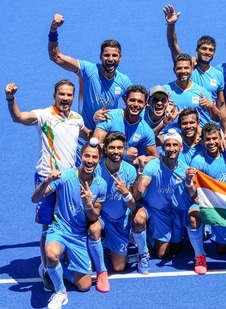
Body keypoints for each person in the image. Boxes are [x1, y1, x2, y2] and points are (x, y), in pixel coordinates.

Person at [5, 80, 89, 293]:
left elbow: (85, 134)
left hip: (70, 180)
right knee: (48, 225)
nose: (66, 98)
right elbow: (18, 117)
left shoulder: (76, 119)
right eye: (62, 94)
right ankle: (46, 267)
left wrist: (101, 130)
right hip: (47, 178)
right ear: (54, 95)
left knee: (69, 221)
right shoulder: (44, 116)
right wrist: (10, 98)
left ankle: (64, 259)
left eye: (69, 95)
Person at [31, 139, 107, 309]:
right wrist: (45, 182)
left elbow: (94, 217)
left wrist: (88, 204)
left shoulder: (101, 185)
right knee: (52, 254)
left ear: (98, 159)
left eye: (94, 157)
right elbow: (34, 198)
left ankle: (55, 268)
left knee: (85, 285)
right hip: (59, 230)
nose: (90, 160)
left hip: (79, 235)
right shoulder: (65, 177)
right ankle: (60, 291)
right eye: (87, 155)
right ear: (81, 157)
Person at [47, 13, 132, 131]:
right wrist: (53, 29)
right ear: (100, 57)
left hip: (107, 141)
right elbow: (56, 57)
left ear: (120, 58)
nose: (111, 59)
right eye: (107, 55)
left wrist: (115, 116)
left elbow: (134, 108)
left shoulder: (124, 81)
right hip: (83, 138)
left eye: (114, 55)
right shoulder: (88, 70)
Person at [132, 129, 195, 272]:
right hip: (148, 207)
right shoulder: (152, 166)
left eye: (175, 145)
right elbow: (137, 194)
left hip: (166, 213)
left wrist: (190, 182)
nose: (171, 149)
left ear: (181, 147)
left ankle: (147, 234)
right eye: (168, 145)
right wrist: (141, 173)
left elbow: (192, 193)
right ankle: (143, 253)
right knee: (139, 219)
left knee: (166, 253)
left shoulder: (184, 170)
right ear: (163, 147)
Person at [164, 4, 226, 136]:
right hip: (182, 128)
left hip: (206, 129)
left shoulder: (218, 75)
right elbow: (173, 45)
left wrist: (225, 133)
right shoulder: (188, 67)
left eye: (210, 50)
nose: (207, 52)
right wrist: (171, 25)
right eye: (204, 49)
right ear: (196, 50)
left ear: (214, 54)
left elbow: (221, 106)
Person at [186, 122, 226, 254]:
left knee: (222, 251)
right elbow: (192, 191)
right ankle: (199, 254)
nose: (211, 142)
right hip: (208, 204)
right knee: (193, 215)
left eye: (214, 138)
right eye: (208, 139)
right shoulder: (198, 161)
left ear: (220, 138)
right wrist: (202, 203)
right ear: (202, 141)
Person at [96, 132, 137, 273]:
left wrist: (125, 193)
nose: (116, 151)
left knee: (119, 268)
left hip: (119, 221)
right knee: (93, 229)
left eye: (120, 148)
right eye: (112, 148)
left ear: (124, 149)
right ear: (105, 149)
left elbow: (132, 206)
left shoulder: (130, 170)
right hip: (99, 218)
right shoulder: (96, 169)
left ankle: (108, 244)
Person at [93, 84, 158, 169]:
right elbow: (95, 146)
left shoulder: (146, 130)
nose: (135, 104)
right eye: (132, 100)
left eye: (140, 101)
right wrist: (123, 153)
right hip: (102, 167)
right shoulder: (110, 117)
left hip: (126, 172)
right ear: (125, 101)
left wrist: (141, 160)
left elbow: (154, 157)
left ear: (145, 105)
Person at [164, 53, 218, 128]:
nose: (183, 71)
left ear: (192, 69)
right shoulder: (165, 91)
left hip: (197, 135)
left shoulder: (201, 91)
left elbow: (217, 118)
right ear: (174, 70)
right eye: (179, 68)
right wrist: (163, 106)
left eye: (186, 68)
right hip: (173, 134)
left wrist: (211, 106)